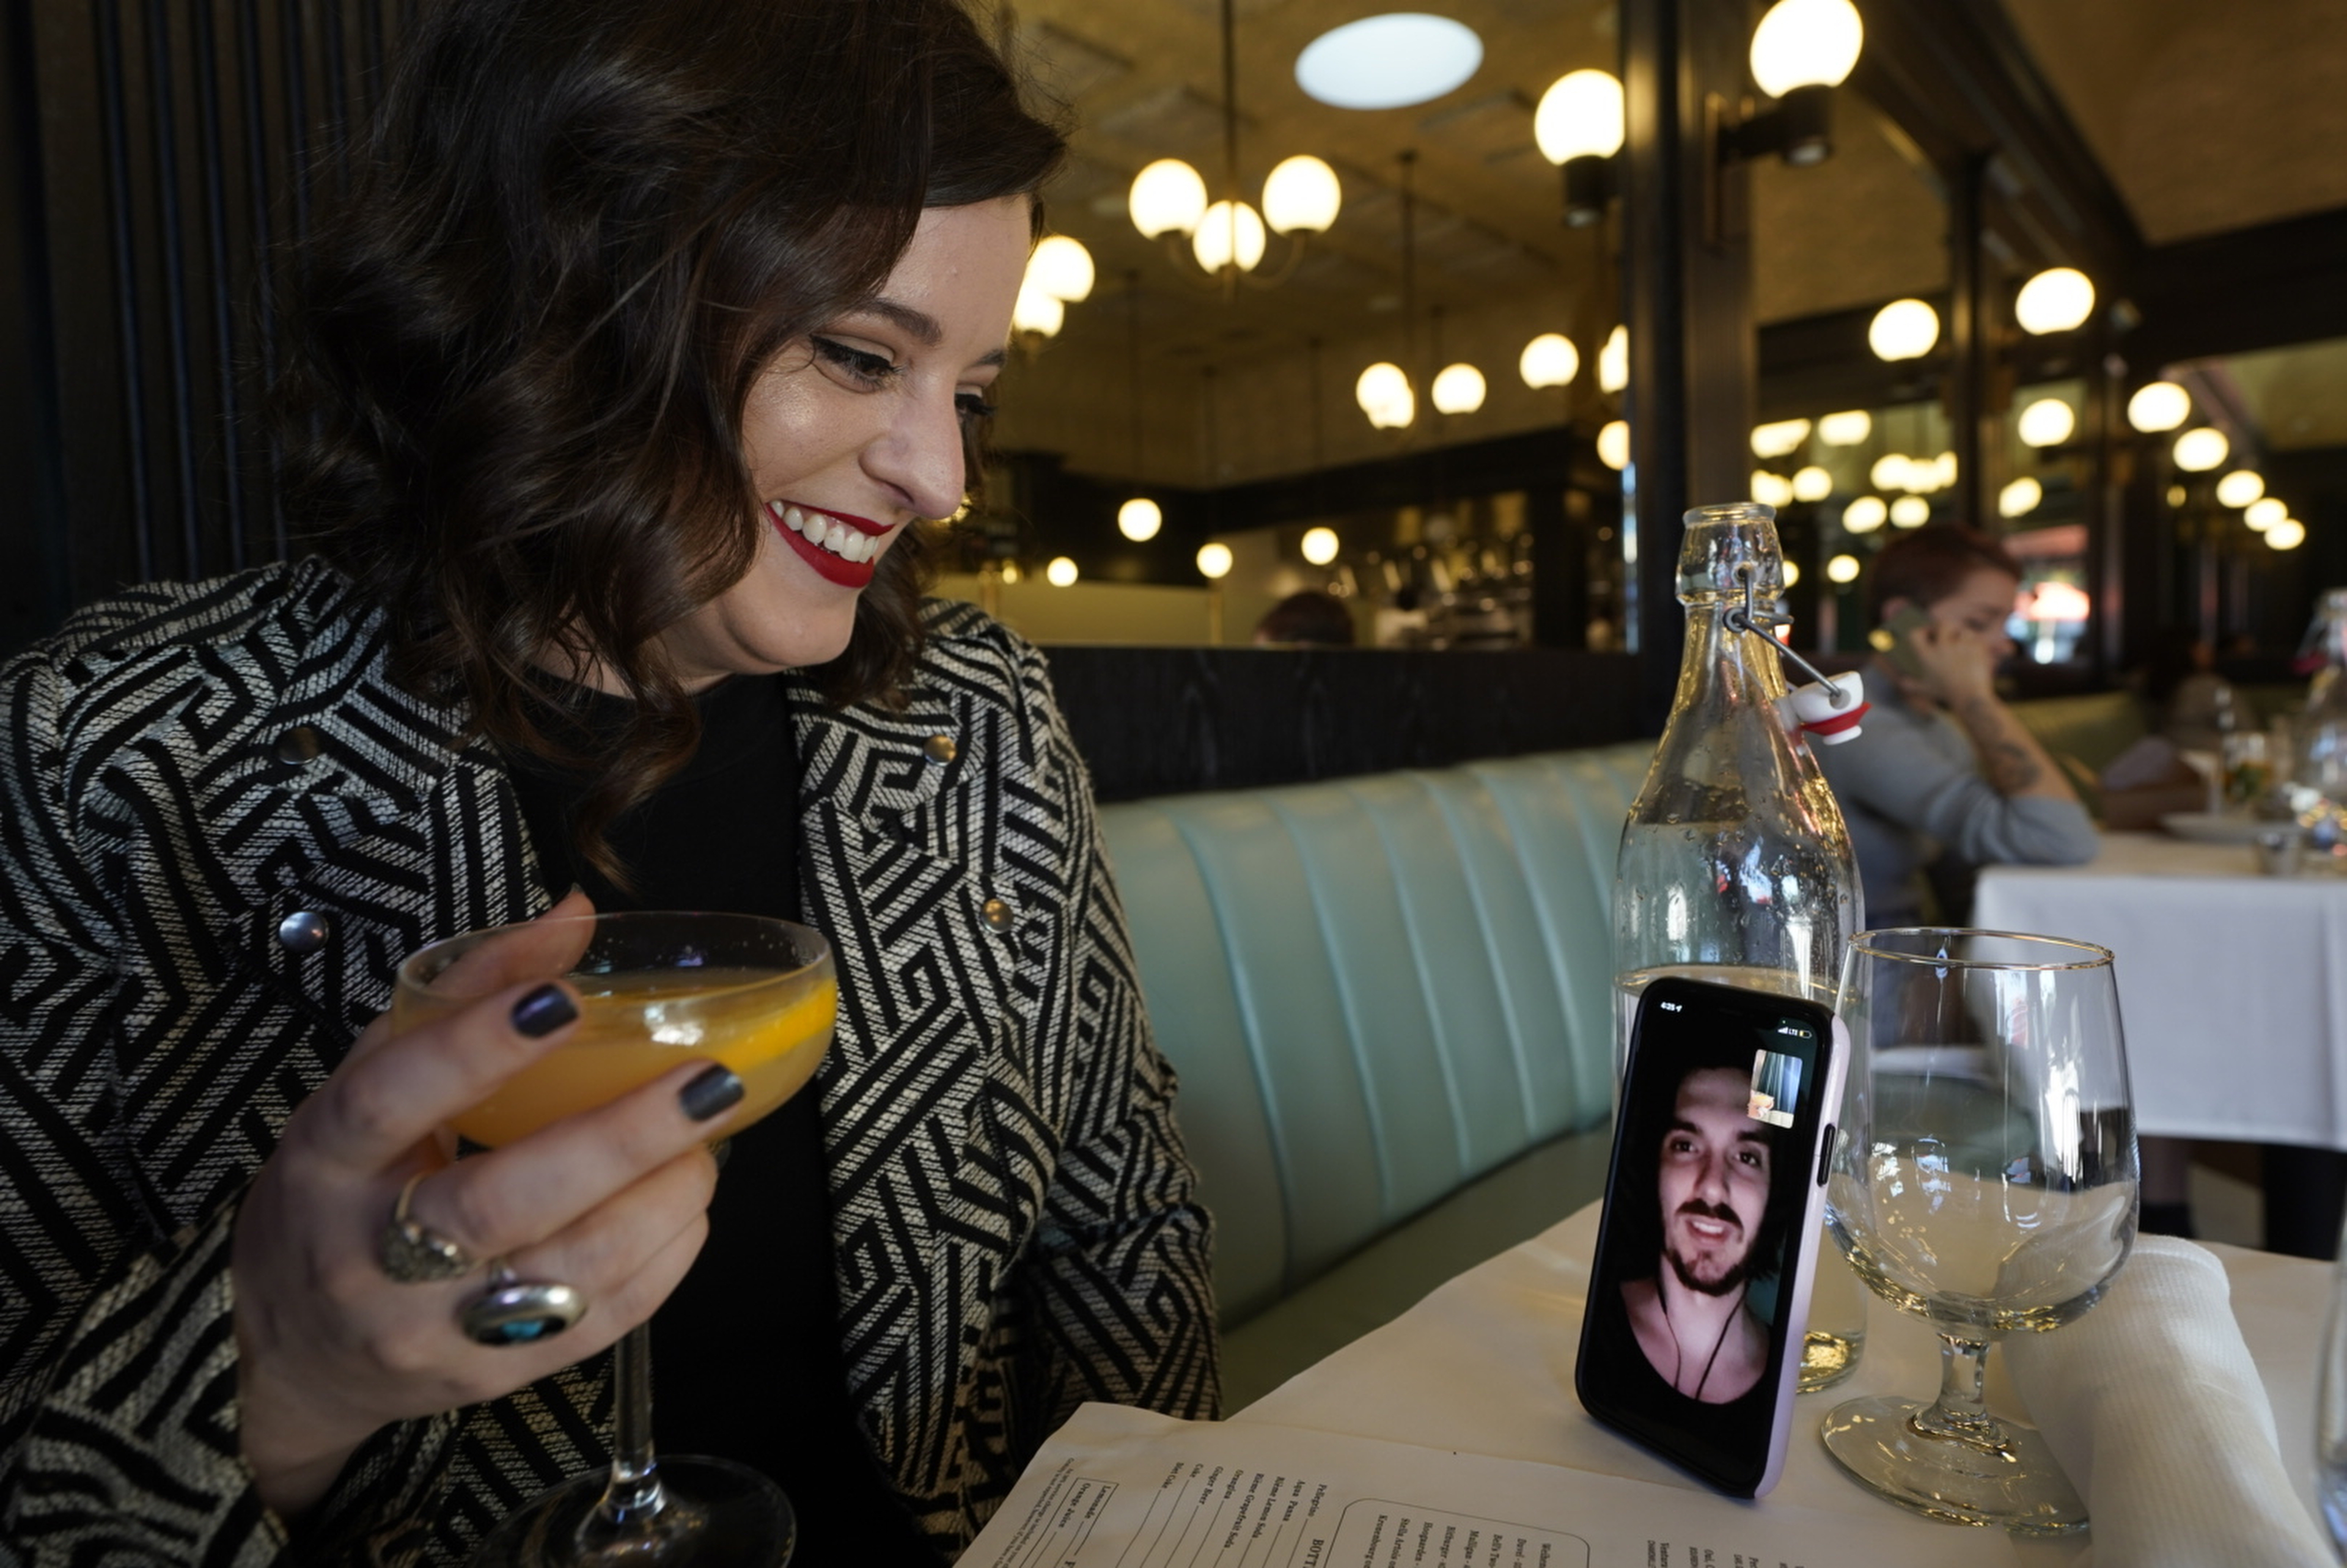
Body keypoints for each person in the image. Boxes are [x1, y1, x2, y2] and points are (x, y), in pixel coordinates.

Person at [0, 3, 1216, 1564]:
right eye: (857, 355)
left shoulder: (972, 713)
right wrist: (282, 1370)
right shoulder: (115, 751)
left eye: (969, 392)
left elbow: (1124, 1231)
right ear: (570, 294)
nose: (941, 479)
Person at [1815, 526, 2099, 926]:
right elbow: (2061, 839)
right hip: (1848, 961)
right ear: (1903, 620)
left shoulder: (1935, 724)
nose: (2003, 644)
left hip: (1907, 940)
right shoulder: (1855, 724)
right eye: (1981, 623)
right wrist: (1974, 697)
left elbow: (1964, 868)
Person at [1617, 1063, 1785, 1405]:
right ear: (1652, 1170)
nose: (1712, 1189)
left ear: (1776, 1193)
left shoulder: (1789, 1382)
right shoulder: (1600, 1325)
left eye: (1747, 1157)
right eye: (1686, 1146)